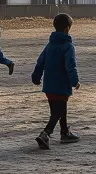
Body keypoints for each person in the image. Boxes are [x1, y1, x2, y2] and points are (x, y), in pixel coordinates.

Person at [31, 13, 81, 150]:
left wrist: (36, 76)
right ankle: (45, 134)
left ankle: (65, 132)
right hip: (61, 84)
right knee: (58, 112)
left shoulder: (50, 45)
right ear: (67, 29)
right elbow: (70, 65)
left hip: (49, 85)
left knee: (58, 109)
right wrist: (74, 81)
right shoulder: (68, 47)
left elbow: (40, 61)